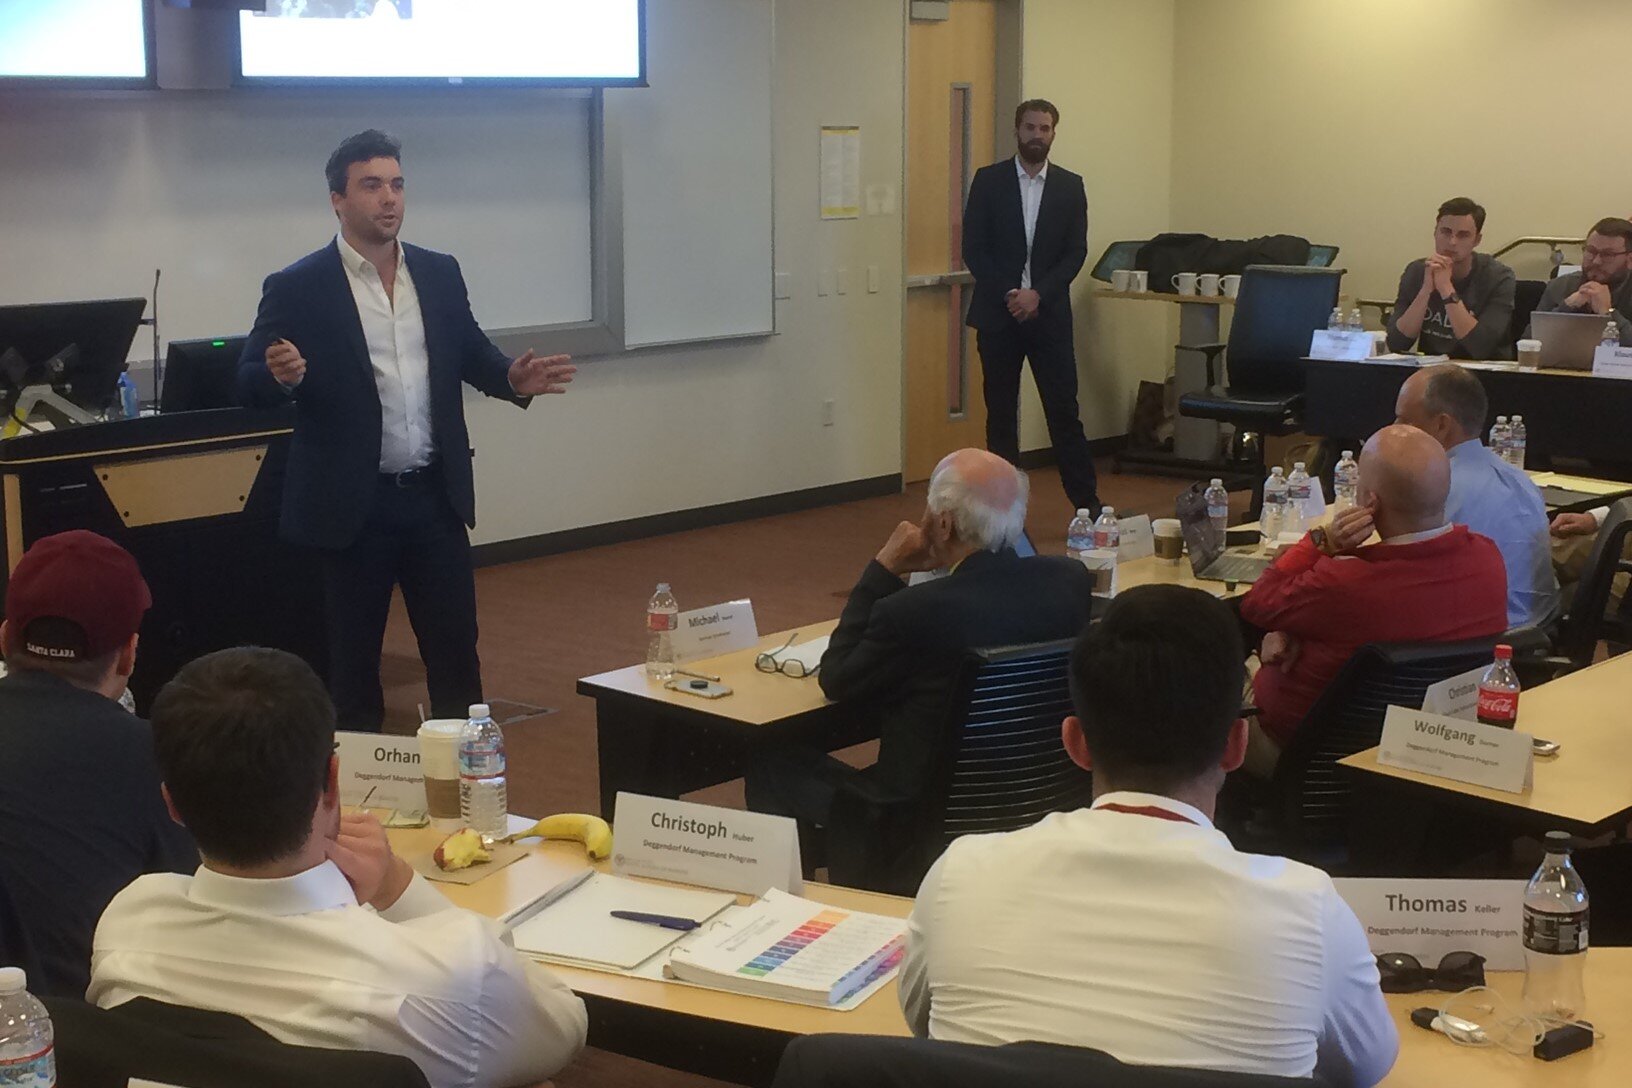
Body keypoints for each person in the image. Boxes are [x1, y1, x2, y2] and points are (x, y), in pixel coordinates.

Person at [899, 585, 1398, 1086]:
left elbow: (925, 1035)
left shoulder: (959, 875)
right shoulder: (1310, 910)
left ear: (1076, 743)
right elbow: (1364, 1070)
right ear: (1236, 745)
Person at [88, 647, 586, 1088]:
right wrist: (399, 887)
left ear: (172, 804)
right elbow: (563, 1026)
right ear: (332, 781)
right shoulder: (446, 973)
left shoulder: (128, 922)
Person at [237, 129, 575, 732]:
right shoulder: (299, 285)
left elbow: (471, 353)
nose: (389, 198)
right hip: (351, 508)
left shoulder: (438, 272)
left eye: (396, 184)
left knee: (456, 658)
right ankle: (353, 786)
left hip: (433, 499)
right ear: (337, 200)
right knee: (352, 670)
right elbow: (247, 381)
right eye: (371, 186)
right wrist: (278, 375)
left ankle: (466, 775)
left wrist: (511, 378)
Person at [744, 449, 1096, 881]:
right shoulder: (1068, 582)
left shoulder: (912, 611)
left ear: (943, 523)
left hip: (920, 818)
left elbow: (838, 677)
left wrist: (883, 568)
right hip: (1032, 796)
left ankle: (801, 908)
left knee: (772, 766)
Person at [1239, 425, 1508, 770]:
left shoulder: (1343, 583)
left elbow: (1257, 602)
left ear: (1369, 501)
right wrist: (1292, 630)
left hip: (1299, 753)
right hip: (1422, 754)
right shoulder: (1488, 559)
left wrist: (1323, 540)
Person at [0, 531, 197, 999]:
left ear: (5, 638)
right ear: (129, 654)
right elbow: (196, 910)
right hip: (73, 1029)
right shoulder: (158, 756)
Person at [961, 99, 1099, 515]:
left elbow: (1075, 252)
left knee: (1064, 412)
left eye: (1044, 128)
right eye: (1030, 127)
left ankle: (1087, 505)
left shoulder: (1070, 186)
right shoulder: (988, 181)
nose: (1037, 135)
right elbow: (974, 248)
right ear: (1016, 130)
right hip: (998, 316)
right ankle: (1002, 511)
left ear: (1054, 133)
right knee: (1001, 415)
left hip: (1049, 316)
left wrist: (1039, 293)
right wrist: (1011, 293)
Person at [1393, 364, 1559, 627]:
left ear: (1442, 425)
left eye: (1404, 421)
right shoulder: (1521, 480)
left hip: (1473, 637)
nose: (1394, 430)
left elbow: (1403, 577)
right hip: (1536, 628)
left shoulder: (1435, 488)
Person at [1385, 197, 1516, 359]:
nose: (1452, 242)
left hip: (1482, 369)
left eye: (1463, 235)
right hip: (1433, 368)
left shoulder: (1499, 277)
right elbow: (1396, 343)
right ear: (1435, 233)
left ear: (1476, 240)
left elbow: (1481, 348)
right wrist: (1425, 291)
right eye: (1446, 232)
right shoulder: (1416, 271)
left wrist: (1446, 288)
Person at [1526, 217, 1632, 344]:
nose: (1596, 261)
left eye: (1608, 254)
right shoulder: (1561, 285)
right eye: (1591, 251)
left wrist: (1609, 313)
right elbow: (1527, 343)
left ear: (1630, 260)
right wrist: (1565, 308)